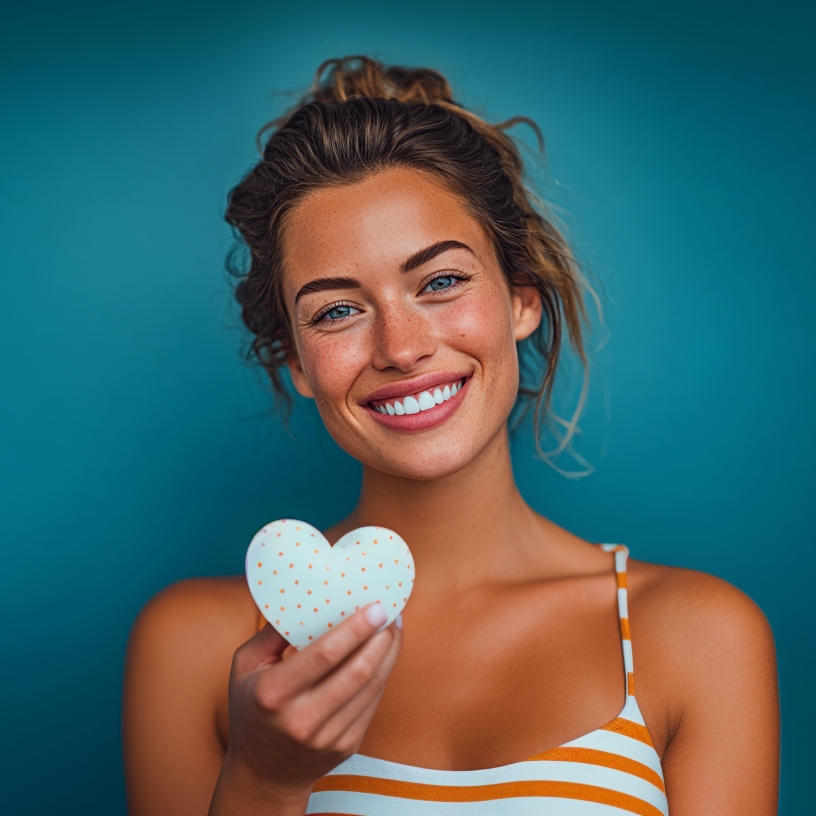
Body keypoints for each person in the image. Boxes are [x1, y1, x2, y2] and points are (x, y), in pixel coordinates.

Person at [122, 56, 780, 815]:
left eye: (440, 282)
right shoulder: (193, 648)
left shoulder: (698, 634)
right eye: (337, 311)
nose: (400, 347)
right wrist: (266, 779)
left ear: (521, 300)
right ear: (293, 362)